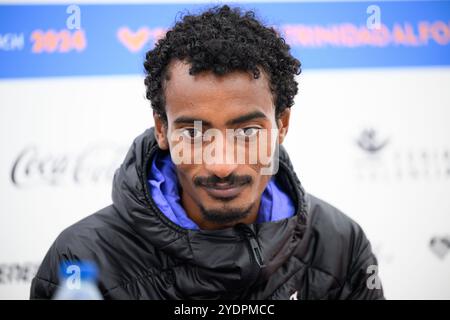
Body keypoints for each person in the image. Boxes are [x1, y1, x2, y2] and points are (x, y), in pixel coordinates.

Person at [30, 5, 384, 300]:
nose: (222, 164)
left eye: (247, 131)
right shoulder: (81, 259)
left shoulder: (339, 244)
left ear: (283, 125)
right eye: (194, 133)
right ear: (161, 129)